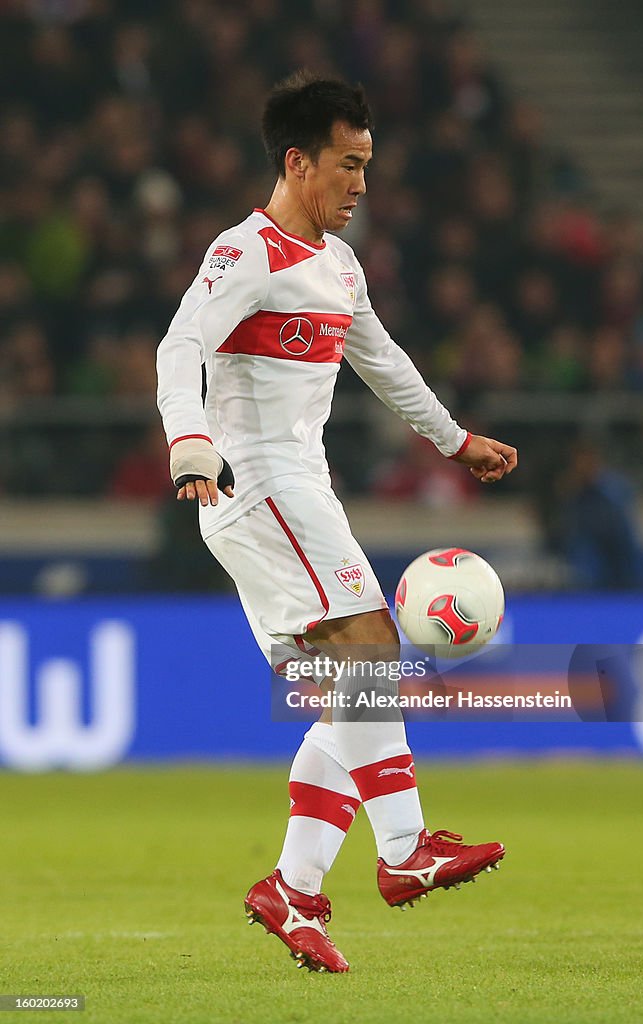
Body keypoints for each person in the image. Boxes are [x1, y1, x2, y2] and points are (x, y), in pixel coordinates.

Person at [156, 71, 517, 974]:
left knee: (349, 699)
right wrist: (190, 445)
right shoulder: (247, 256)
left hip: (296, 491)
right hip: (256, 485)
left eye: (368, 166)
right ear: (297, 161)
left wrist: (453, 438)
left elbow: (384, 362)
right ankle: (405, 851)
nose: (361, 184)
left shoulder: (337, 266)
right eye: (347, 165)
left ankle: (293, 888)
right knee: (368, 641)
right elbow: (180, 344)